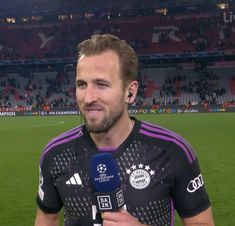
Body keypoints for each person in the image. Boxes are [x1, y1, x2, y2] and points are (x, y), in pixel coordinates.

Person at [35, 34, 215, 226]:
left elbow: (202, 222)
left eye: (101, 84)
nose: (88, 98)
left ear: (130, 92)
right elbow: (46, 218)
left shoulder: (172, 151)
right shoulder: (55, 154)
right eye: (82, 85)